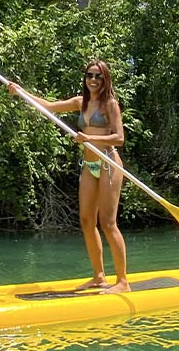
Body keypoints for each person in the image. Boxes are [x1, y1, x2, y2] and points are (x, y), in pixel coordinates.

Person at [8, 61, 129, 292]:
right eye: (90, 75)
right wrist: (21, 92)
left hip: (108, 164)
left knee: (108, 222)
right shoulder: (80, 102)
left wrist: (90, 140)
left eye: (98, 76)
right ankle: (99, 276)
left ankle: (123, 281)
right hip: (89, 166)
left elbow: (119, 138)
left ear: (105, 80)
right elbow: (49, 106)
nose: (93, 80)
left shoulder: (110, 105)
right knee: (86, 221)